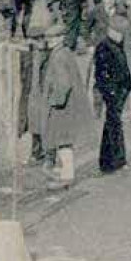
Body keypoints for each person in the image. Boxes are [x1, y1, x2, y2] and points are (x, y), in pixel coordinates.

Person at [41, 23, 93, 185]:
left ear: (61, 38)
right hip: (70, 104)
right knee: (65, 141)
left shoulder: (57, 57)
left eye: (53, 38)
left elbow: (64, 84)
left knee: (62, 140)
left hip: (62, 106)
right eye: (48, 37)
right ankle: (66, 173)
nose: (49, 41)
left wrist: (54, 101)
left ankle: (66, 176)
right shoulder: (65, 53)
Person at [92, 18, 131, 174]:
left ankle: (109, 162)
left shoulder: (115, 44)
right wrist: (111, 92)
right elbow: (102, 74)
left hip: (118, 91)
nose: (124, 36)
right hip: (113, 93)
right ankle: (117, 161)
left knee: (112, 126)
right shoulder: (105, 47)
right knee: (114, 127)